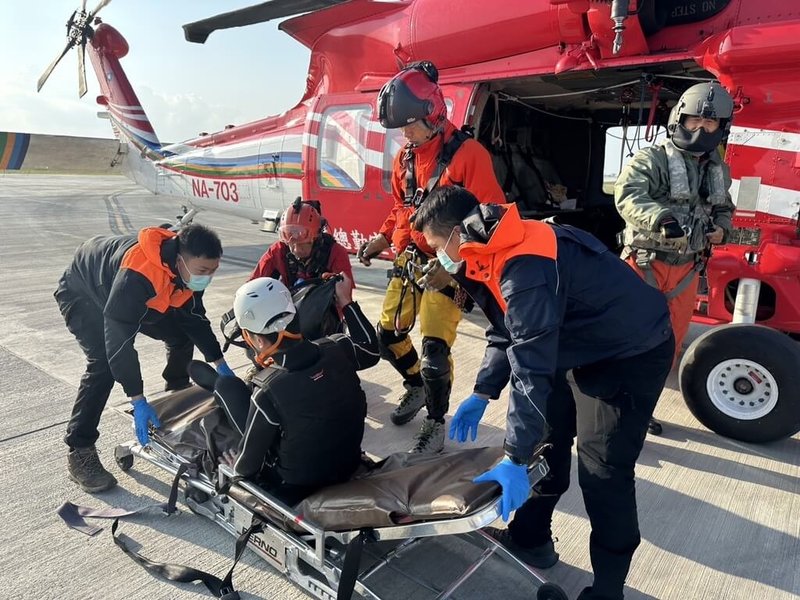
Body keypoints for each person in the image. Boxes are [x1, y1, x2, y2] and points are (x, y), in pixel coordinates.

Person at [413, 186, 675, 600]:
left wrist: (514, 458)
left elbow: (530, 365)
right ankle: (531, 537)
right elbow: (506, 331)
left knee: (603, 471)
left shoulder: (524, 264)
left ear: (457, 236)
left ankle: (608, 591)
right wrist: (483, 391)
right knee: (546, 439)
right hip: (575, 342)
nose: (436, 259)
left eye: (435, 247)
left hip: (629, 351)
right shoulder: (488, 249)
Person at [357, 60, 505, 453]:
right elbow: (403, 207)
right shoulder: (404, 159)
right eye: (400, 128)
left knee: (435, 352)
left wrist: (450, 267)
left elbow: (490, 219)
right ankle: (416, 386)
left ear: (433, 113)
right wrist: (382, 237)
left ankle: (436, 422)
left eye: (410, 124)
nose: (405, 133)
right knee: (387, 338)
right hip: (410, 263)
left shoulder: (468, 155)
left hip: (451, 268)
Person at [54, 224, 234, 493]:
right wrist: (137, 398)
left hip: (136, 296)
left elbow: (194, 318)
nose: (206, 278)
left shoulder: (188, 271)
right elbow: (120, 341)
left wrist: (219, 362)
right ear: (179, 260)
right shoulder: (138, 274)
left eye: (212, 271)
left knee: (181, 335)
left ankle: (175, 398)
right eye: (203, 272)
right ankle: (79, 450)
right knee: (103, 365)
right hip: (85, 293)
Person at [210, 275, 379, 505]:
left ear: (257, 340)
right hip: (348, 462)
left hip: (298, 484)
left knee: (225, 386)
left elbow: (247, 467)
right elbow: (370, 349)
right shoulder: (339, 347)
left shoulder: (267, 391)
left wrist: (233, 470)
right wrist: (345, 301)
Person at [615, 81, 735, 365]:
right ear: (679, 119)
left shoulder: (717, 170)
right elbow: (628, 194)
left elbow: (724, 207)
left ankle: (654, 383)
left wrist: (722, 228)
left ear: (720, 127)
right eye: (695, 119)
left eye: (710, 121)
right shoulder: (652, 159)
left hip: (688, 268)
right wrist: (661, 219)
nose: (701, 128)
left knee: (673, 338)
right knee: (626, 333)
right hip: (645, 263)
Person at [250, 197, 354, 291]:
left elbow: (344, 297)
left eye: (302, 245)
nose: (296, 250)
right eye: (291, 245)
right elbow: (253, 285)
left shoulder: (335, 252)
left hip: (324, 309)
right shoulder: (278, 250)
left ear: (316, 237)